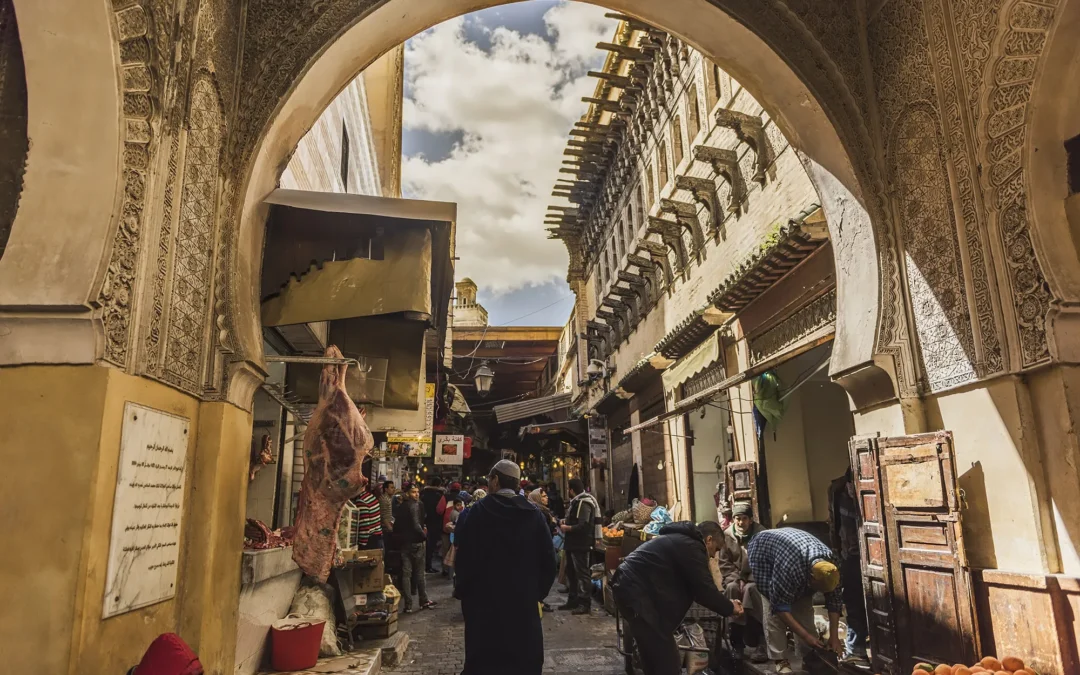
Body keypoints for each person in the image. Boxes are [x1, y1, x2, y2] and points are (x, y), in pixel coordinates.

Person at [454, 460, 556, 675]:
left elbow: (464, 558)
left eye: (489, 479)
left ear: (495, 480)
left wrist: (465, 593)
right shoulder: (534, 515)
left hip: (484, 607)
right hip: (522, 605)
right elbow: (548, 560)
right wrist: (536, 594)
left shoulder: (477, 512)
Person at [612, 521, 743, 675]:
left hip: (630, 588)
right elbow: (704, 589)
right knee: (666, 659)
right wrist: (730, 607)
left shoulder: (682, 542)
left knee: (653, 654)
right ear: (708, 540)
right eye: (716, 549)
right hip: (634, 591)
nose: (714, 555)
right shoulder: (692, 547)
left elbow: (695, 587)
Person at [748, 528, 843, 675]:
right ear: (811, 578)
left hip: (795, 555)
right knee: (773, 614)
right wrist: (805, 636)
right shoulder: (790, 568)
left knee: (804, 612)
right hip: (763, 553)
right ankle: (780, 660)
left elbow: (835, 602)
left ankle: (809, 658)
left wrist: (834, 637)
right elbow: (780, 607)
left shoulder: (831, 566)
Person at [717, 502, 767, 661]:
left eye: (744, 518)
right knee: (731, 589)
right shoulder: (726, 535)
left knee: (752, 591)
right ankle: (737, 643)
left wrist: (749, 579)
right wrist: (736, 579)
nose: (741, 522)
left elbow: (763, 561)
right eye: (737, 518)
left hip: (756, 578)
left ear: (750, 520)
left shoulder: (761, 534)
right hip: (734, 578)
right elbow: (724, 563)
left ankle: (761, 642)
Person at [829, 469, 869, 665]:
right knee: (853, 603)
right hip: (850, 557)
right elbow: (835, 526)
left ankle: (863, 647)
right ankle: (856, 648)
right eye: (852, 485)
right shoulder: (838, 494)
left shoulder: (868, 498)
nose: (854, 489)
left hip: (871, 557)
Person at [559, 478, 598, 615]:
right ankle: (573, 600)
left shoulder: (584, 502)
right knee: (571, 572)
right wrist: (567, 521)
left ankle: (584, 603)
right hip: (572, 543)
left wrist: (567, 527)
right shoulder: (576, 502)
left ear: (571, 490)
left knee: (582, 573)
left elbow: (584, 525)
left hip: (581, 544)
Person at [396, 482, 437, 613]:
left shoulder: (401, 506)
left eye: (418, 492)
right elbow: (416, 524)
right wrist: (424, 536)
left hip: (405, 544)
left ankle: (408, 605)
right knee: (419, 573)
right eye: (414, 492)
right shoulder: (416, 505)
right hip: (416, 543)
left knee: (406, 574)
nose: (417, 494)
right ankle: (423, 601)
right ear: (408, 493)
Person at [419, 477, 446, 573]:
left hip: (423, 521)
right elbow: (440, 510)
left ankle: (424, 565)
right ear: (439, 485)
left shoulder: (423, 493)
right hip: (435, 522)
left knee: (424, 544)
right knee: (431, 545)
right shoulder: (439, 494)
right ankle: (428, 565)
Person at [351, 484, 384, 550]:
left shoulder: (361, 501)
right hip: (378, 537)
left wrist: (362, 545)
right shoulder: (371, 496)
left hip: (370, 541)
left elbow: (365, 526)